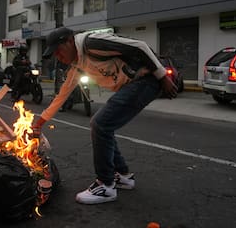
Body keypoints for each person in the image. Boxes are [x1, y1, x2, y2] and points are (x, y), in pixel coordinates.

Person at [33, 27, 177, 205]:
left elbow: (139, 46)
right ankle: (123, 176)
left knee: (101, 124)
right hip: (133, 85)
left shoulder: (91, 43)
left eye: (58, 51)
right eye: (54, 54)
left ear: (70, 41)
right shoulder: (77, 67)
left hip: (146, 79)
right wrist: (39, 123)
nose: (58, 57)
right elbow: (60, 97)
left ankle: (106, 185)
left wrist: (163, 76)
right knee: (101, 125)